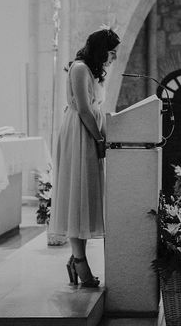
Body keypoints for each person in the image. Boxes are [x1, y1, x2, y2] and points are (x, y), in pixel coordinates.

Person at [50, 28, 120, 288]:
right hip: (79, 133)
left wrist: (106, 140)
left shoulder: (92, 71)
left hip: (90, 134)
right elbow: (83, 108)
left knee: (87, 197)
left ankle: (75, 259)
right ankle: (80, 263)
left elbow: (97, 110)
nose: (113, 58)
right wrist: (99, 139)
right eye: (111, 52)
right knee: (77, 195)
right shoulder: (79, 68)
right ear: (101, 49)